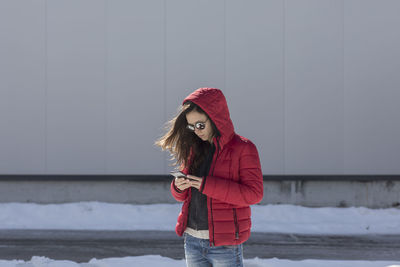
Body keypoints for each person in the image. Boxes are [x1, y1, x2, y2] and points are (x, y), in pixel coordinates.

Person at [155, 87, 263, 267]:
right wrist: (178, 187)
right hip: (192, 241)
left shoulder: (243, 148)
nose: (196, 131)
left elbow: (254, 194)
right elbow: (181, 196)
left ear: (215, 118)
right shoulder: (194, 149)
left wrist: (207, 186)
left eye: (200, 125)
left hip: (225, 244)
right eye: (192, 126)